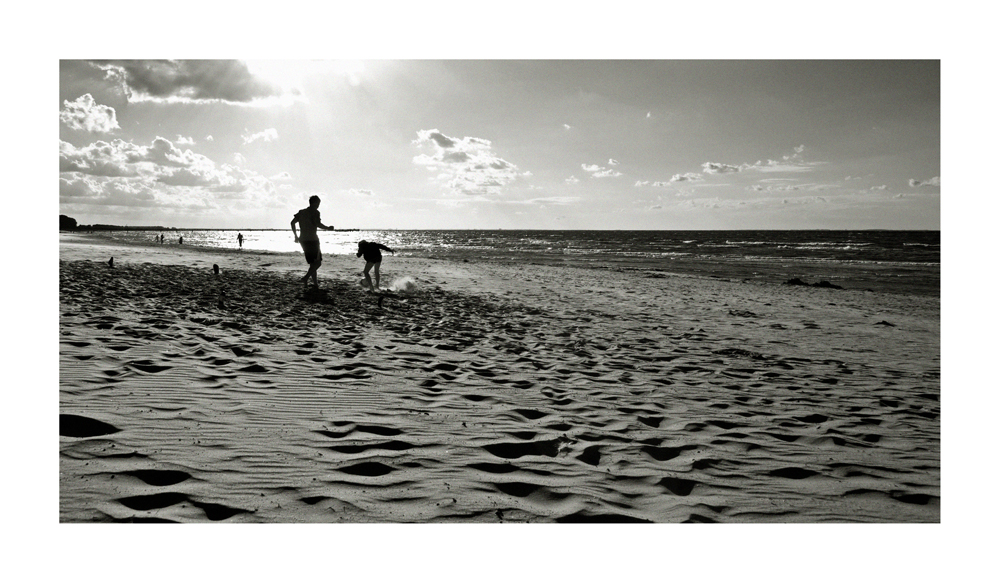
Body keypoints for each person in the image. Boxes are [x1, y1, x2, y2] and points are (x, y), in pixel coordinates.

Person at [291, 195, 334, 288]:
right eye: (318, 203)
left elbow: (292, 223)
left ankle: (315, 284)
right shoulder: (315, 212)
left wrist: (295, 236)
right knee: (318, 263)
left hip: (303, 240)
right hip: (313, 239)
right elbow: (318, 224)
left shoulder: (301, 212)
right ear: (314, 203)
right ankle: (306, 278)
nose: (318, 205)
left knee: (312, 263)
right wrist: (328, 228)